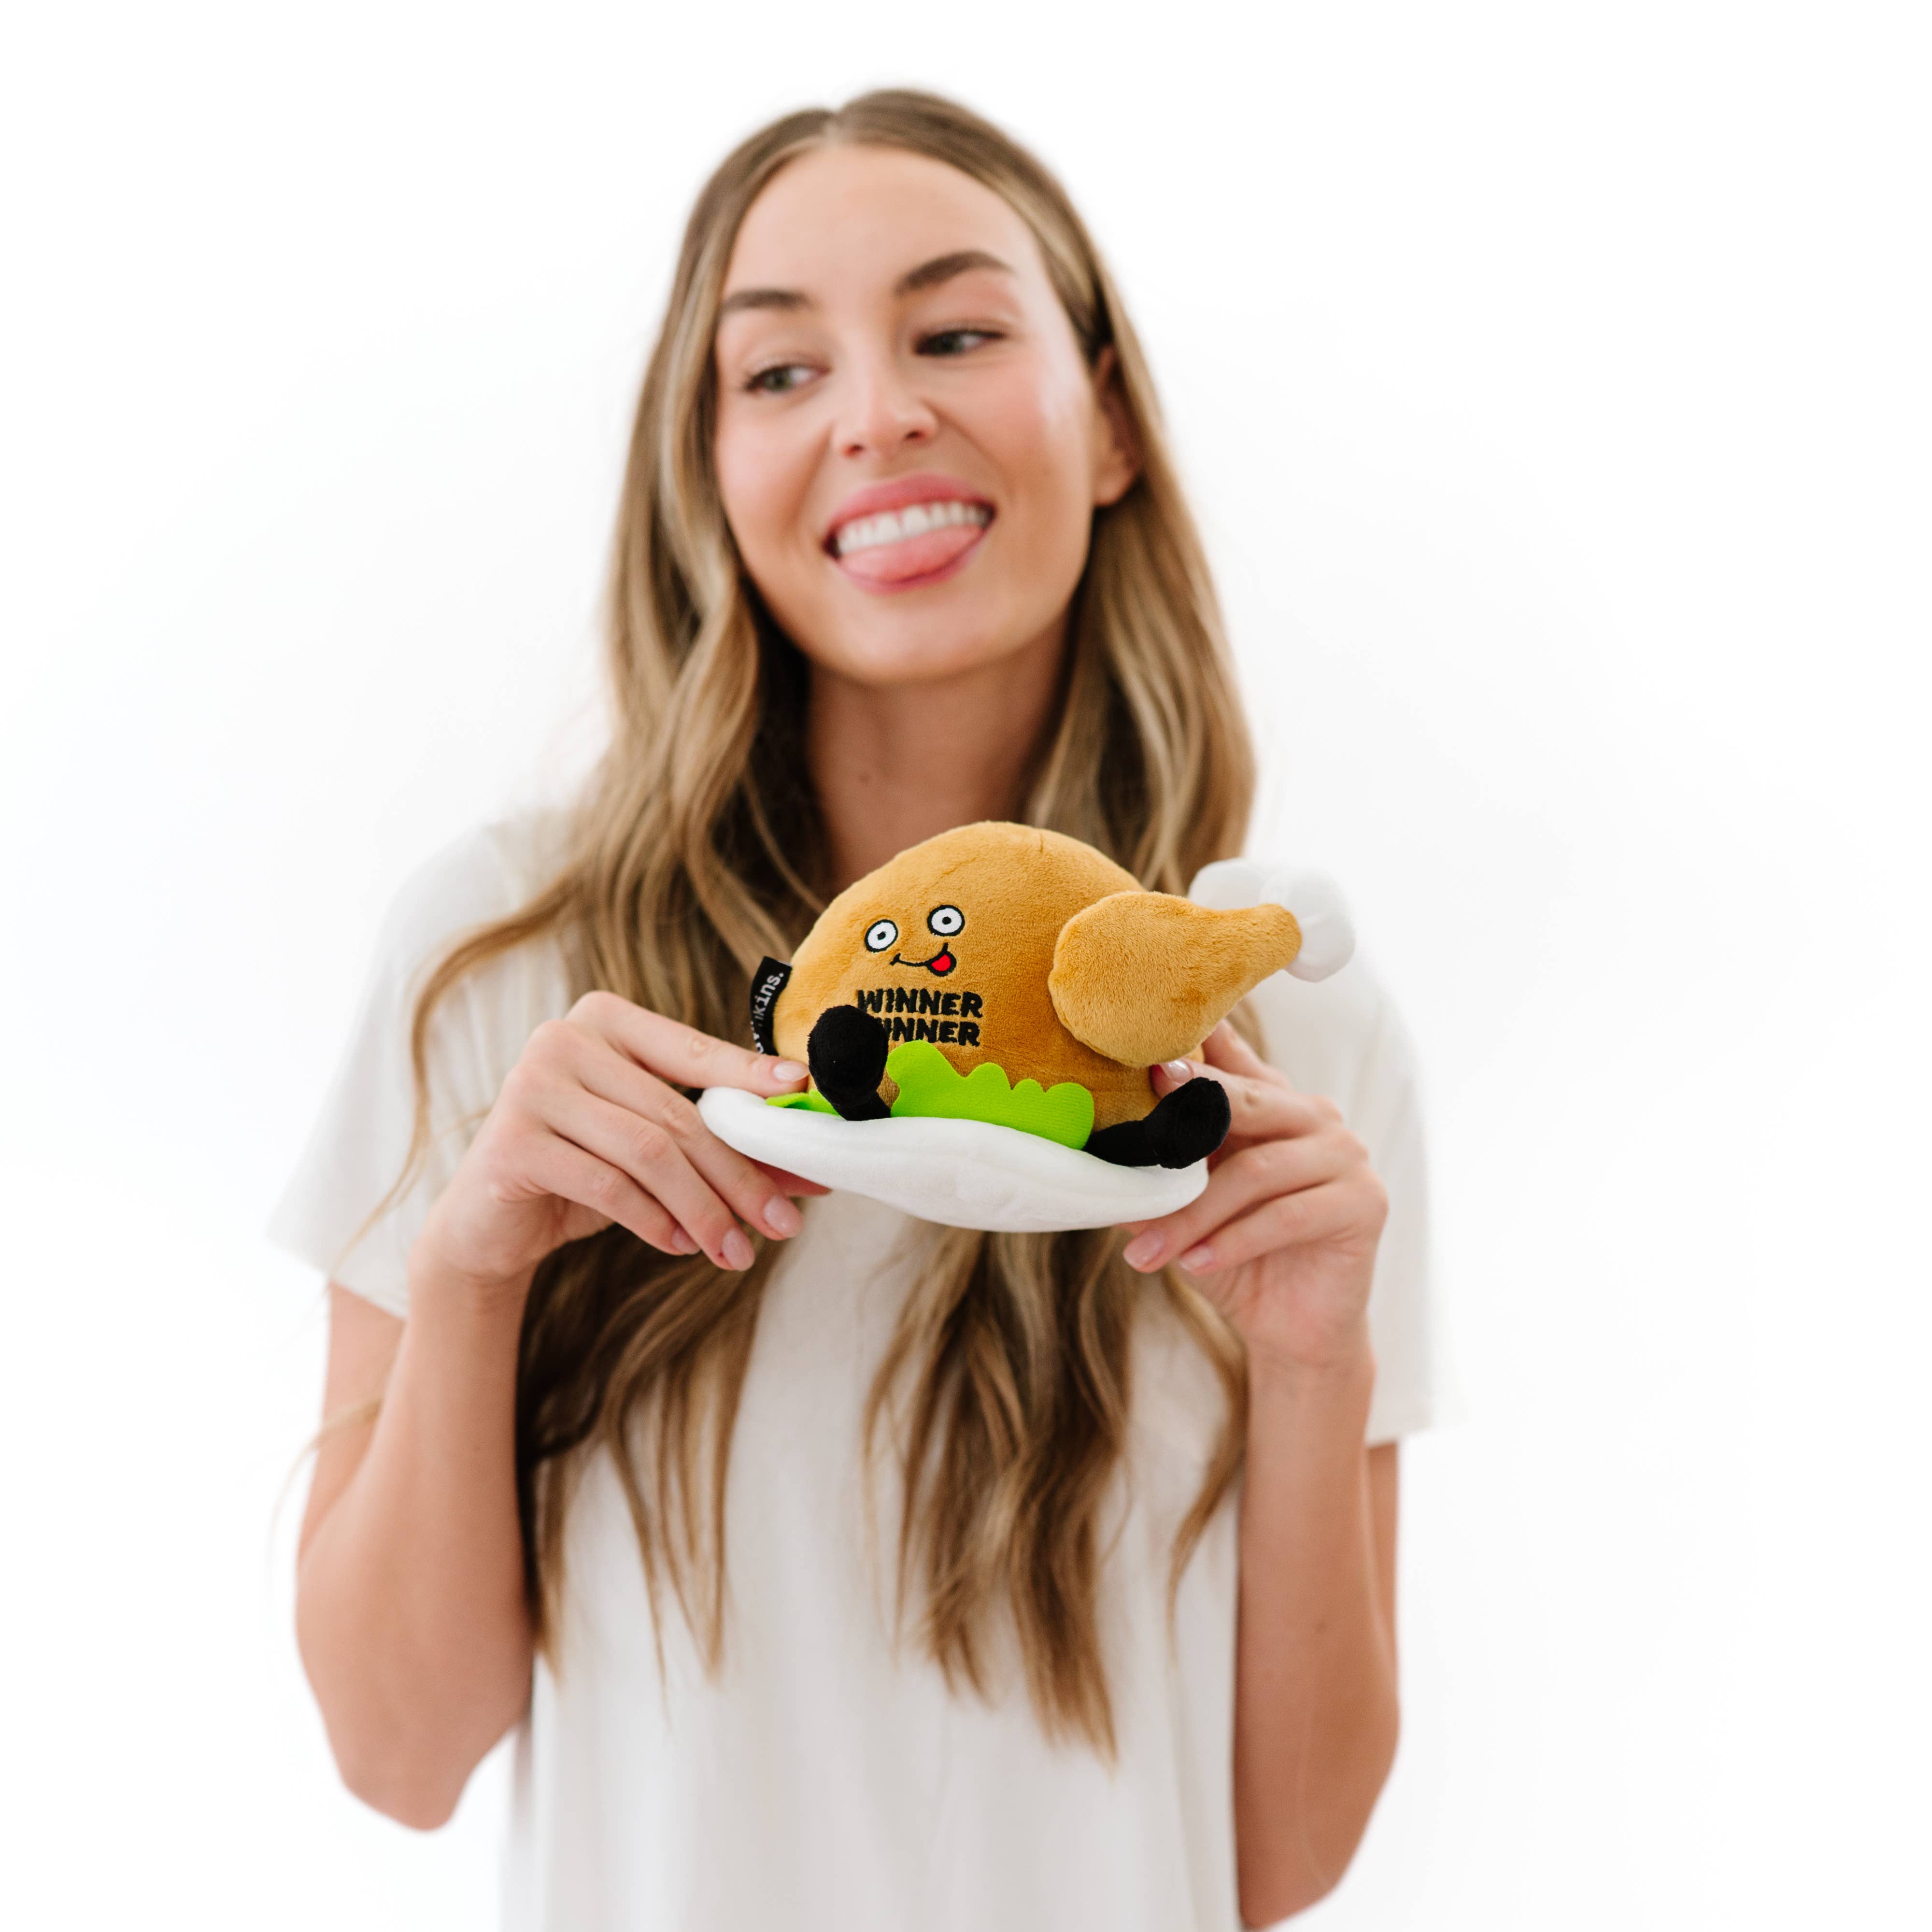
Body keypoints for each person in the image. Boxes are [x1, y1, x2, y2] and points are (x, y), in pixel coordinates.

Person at [270, 89, 1437, 1932]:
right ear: (708, 467)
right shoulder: (507, 967)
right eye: (778, 372)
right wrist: (471, 1277)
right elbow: (397, 1755)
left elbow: (1279, 1860)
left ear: (1113, 421)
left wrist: (1315, 1365)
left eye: (957, 333)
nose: (877, 411)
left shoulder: (1285, 1038)